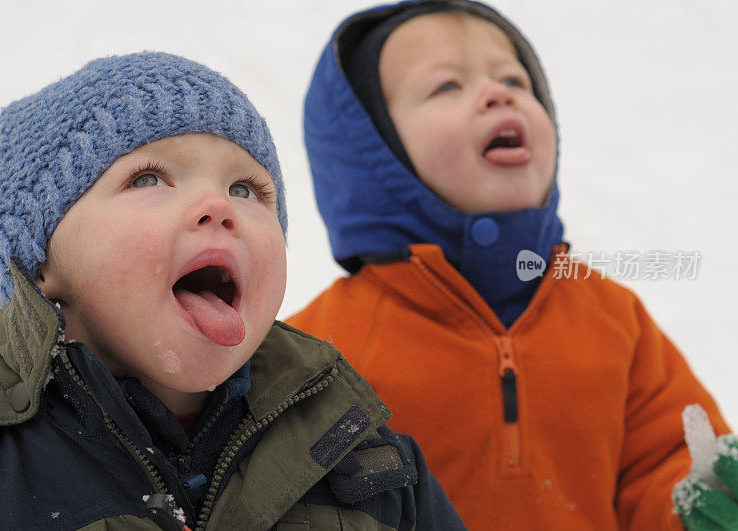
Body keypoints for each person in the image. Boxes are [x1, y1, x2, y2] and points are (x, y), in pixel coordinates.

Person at [0, 52, 464, 530]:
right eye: (148, 179)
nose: (219, 205)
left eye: (246, 189)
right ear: (41, 263)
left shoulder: (374, 463)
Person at [286, 1, 736, 528]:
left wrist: (697, 503)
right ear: (371, 150)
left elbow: (663, 460)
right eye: (446, 86)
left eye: (515, 81)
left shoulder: (615, 319)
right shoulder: (320, 353)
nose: (497, 94)